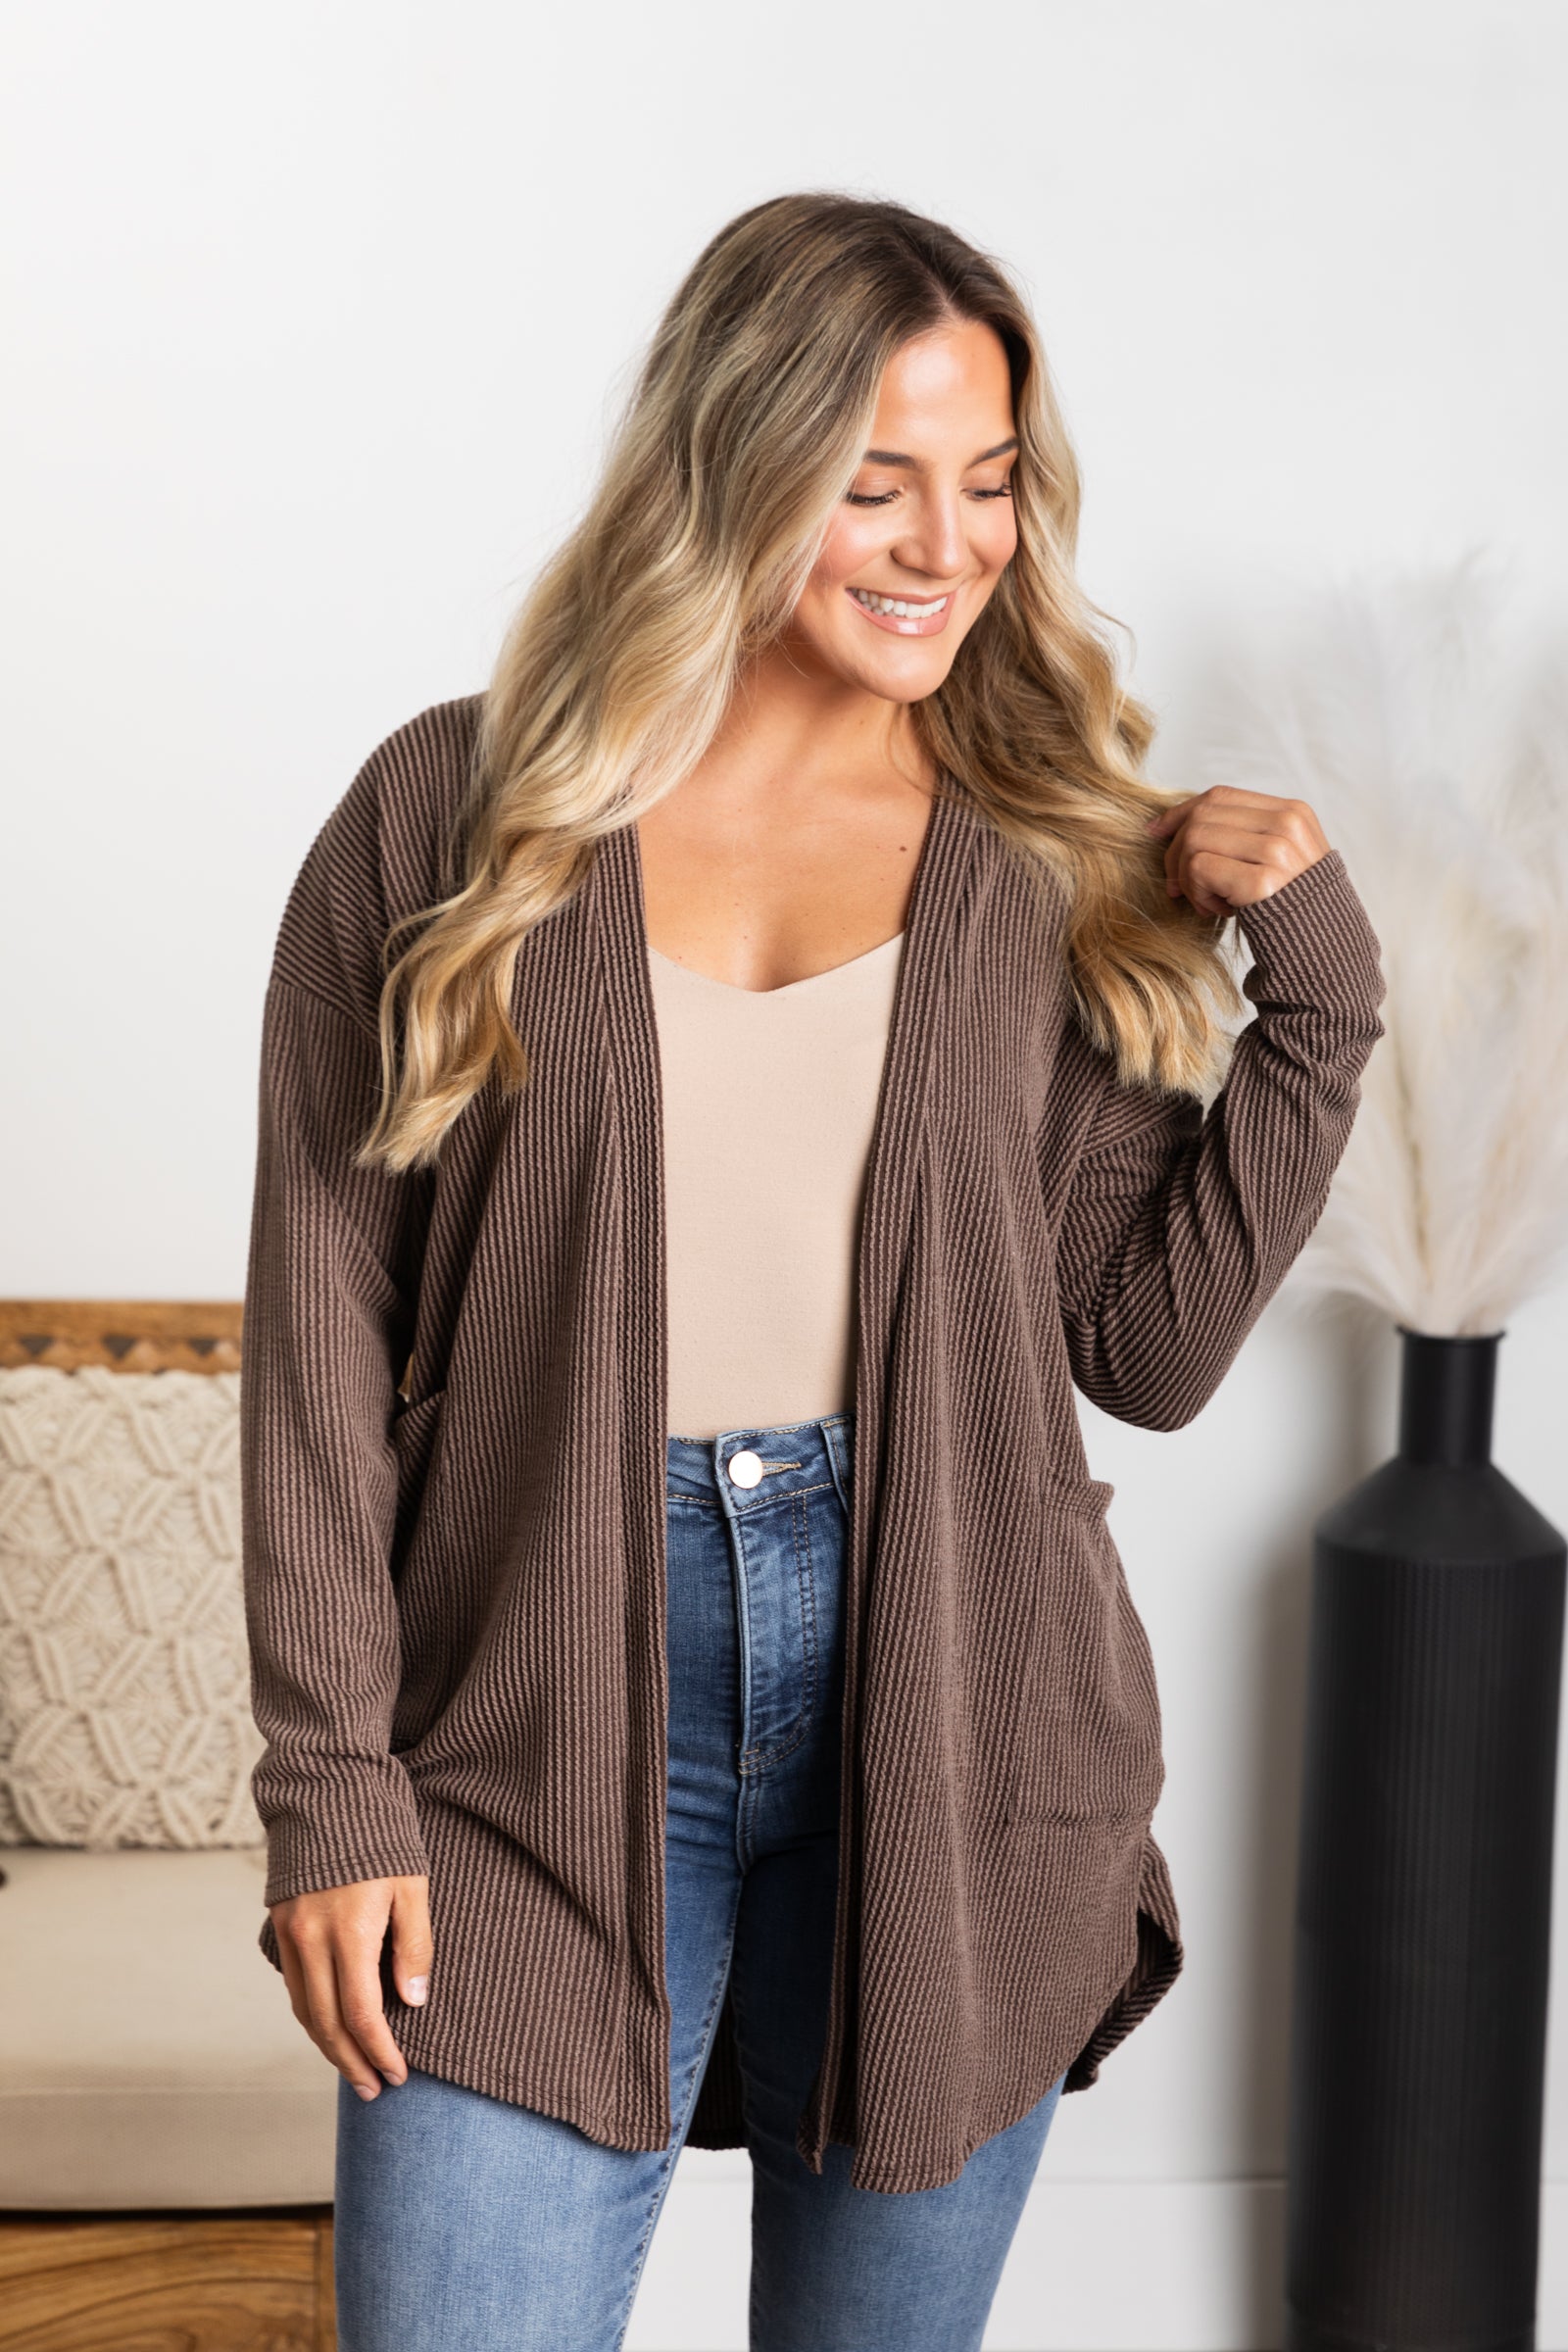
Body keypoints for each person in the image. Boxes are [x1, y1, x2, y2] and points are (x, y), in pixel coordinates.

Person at [239, 192, 1387, 2351]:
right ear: (733, 465)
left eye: (990, 482)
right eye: (877, 484)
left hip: (953, 1721)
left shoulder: (1036, 858)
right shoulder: (453, 818)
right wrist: (331, 1786)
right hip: (530, 1720)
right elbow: (317, 1338)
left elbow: (1143, 1351)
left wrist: (1312, 1007)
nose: (949, 545)